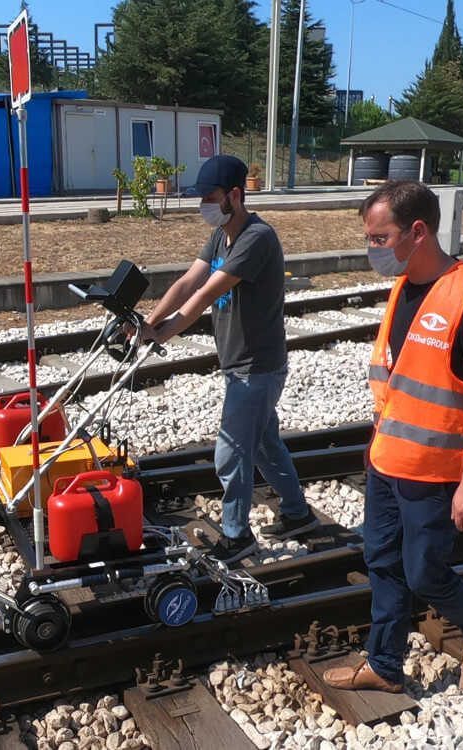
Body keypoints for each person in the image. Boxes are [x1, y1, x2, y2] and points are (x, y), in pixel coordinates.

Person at [323, 180, 463, 694]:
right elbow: (398, 378)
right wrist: (377, 438)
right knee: (382, 562)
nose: (372, 249)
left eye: (380, 238)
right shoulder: (403, 287)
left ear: (418, 231)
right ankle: (384, 666)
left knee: (425, 575)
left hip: (435, 472)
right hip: (387, 462)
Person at [138, 155, 318, 563]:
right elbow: (189, 280)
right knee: (266, 445)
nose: (203, 203)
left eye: (209, 196)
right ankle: (298, 513)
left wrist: (163, 333)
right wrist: (150, 321)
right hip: (240, 363)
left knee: (231, 451)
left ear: (234, 196)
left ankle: (237, 537)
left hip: (258, 366)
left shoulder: (257, 237)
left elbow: (203, 295)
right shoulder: (222, 234)